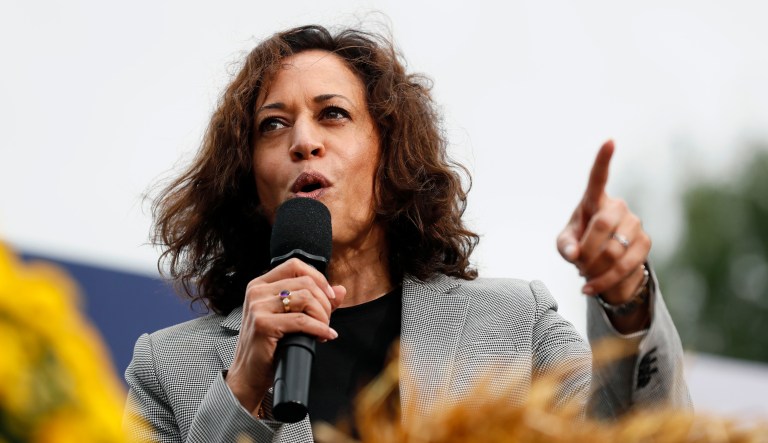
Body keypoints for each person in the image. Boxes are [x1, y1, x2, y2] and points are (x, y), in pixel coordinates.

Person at [124, 24, 690, 442]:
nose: (302, 140)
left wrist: (627, 301)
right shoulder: (166, 367)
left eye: (333, 114)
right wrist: (243, 388)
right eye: (273, 124)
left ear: (387, 150)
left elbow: (643, 435)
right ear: (249, 178)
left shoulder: (516, 323)